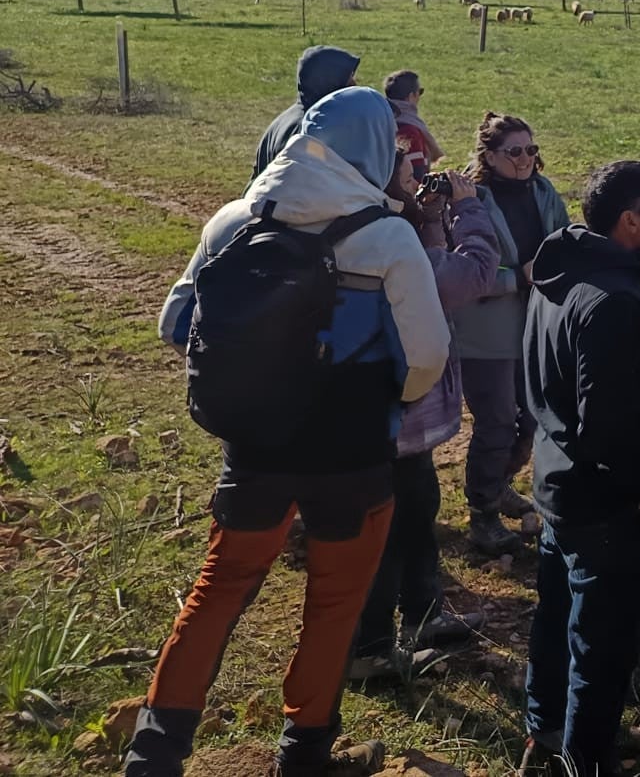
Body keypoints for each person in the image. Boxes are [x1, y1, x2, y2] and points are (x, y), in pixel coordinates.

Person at [131, 89, 450, 777]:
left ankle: (154, 751)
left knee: (217, 590)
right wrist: (387, 401)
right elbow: (427, 354)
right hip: (354, 455)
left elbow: (172, 325)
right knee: (335, 605)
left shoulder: (232, 221)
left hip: (252, 449)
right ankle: (303, 754)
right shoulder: (387, 235)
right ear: (368, 148)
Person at [521, 161, 640, 777]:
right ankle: (585, 761)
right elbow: (610, 426)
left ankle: (545, 732)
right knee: (602, 645)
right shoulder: (613, 304)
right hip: (602, 504)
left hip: (555, 481)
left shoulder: (556, 274)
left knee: (555, 616)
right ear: (630, 220)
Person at [349, 158, 507, 680]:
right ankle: (369, 650)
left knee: (418, 512)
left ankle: (424, 615)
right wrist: (468, 210)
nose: (418, 175)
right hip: (386, 418)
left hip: (393, 418)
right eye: (405, 168)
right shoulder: (384, 237)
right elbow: (471, 275)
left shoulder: (370, 218)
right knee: (389, 530)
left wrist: (431, 215)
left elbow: (431, 263)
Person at [463, 112, 569, 555]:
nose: (525, 159)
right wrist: (519, 277)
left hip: (535, 323)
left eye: (531, 150)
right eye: (514, 152)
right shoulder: (470, 203)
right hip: (485, 330)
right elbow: (465, 273)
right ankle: (482, 514)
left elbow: (563, 240)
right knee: (498, 421)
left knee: (530, 418)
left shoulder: (544, 192)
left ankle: (499, 484)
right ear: (489, 155)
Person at [252, 44, 360, 180]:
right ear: (329, 82)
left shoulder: (284, 120)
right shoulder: (313, 130)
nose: (355, 85)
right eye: (348, 79)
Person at [384, 69, 443, 182]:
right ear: (411, 96)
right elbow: (417, 175)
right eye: (419, 92)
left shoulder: (380, 119)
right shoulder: (409, 130)